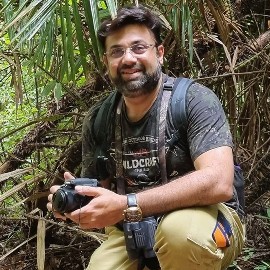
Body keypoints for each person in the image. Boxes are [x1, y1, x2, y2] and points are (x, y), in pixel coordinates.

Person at [47, 4, 245, 270]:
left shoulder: (194, 100)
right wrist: (76, 201)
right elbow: (103, 197)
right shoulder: (99, 120)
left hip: (206, 220)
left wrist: (129, 203)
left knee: (180, 234)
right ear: (107, 63)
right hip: (134, 231)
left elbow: (219, 183)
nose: (128, 59)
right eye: (116, 51)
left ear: (159, 53)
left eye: (139, 48)